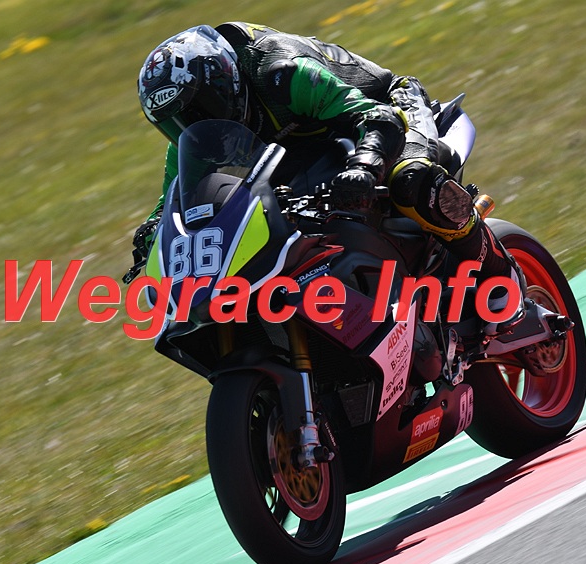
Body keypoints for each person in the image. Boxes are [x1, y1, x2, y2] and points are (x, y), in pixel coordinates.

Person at [134, 22, 524, 334]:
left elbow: (378, 119)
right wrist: (152, 237)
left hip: (385, 109)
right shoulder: (193, 138)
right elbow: (175, 201)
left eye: (201, 107)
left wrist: (366, 165)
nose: (193, 123)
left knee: (410, 179)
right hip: (307, 145)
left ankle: (500, 278)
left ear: (227, 81)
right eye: (175, 122)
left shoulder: (281, 73)